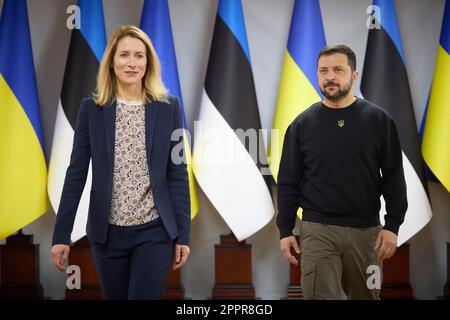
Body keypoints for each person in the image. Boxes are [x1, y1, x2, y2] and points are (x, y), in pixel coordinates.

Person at [51, 25, 191, 300]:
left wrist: (183, 236)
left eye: (139, 55)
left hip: (155, 232)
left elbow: (177, 174)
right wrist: (61, 235)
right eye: (124, 55)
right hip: (107, 234)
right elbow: (76, 173)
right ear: (112, 62)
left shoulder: (168, 107)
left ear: (148, 62)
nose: (132, 63)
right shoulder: (91, 110)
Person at [277, 45, 407, 300]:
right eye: (323, 70)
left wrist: (392, 226)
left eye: (338, 69)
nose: (330, 77)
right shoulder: (302, 125)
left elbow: (394, 178)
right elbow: (288, 183)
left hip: (367, 233)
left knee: (368, 297)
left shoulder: (379, 121)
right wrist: (285, 230)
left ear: (354, 75)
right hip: (317, 230)